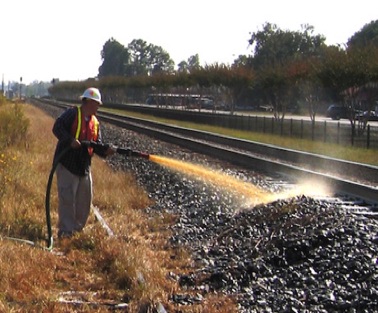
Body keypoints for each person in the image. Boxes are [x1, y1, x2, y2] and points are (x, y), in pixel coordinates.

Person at [52, 87, 115, 238]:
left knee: (84, 201)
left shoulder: (95, 123)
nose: (98, 107)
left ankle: (77, 230)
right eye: (96, 104)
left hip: (84, 167)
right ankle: (66, 232)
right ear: (88, 102)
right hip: (67, 164)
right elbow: (57, 128)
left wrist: (105, 151)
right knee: (67, 199)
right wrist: (70, 140)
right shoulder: (72, 114)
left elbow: (96, 145)